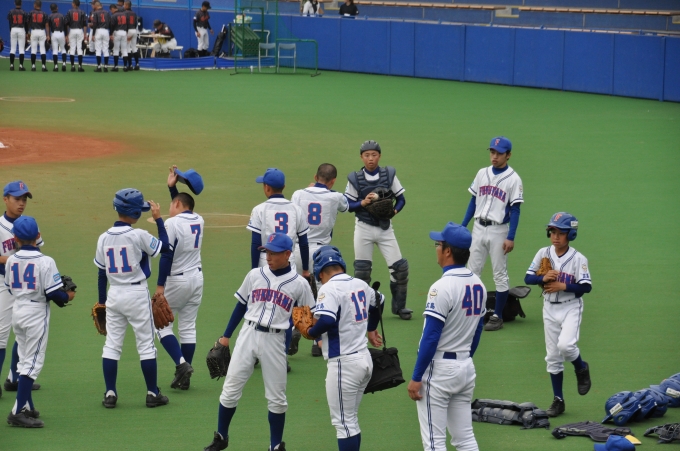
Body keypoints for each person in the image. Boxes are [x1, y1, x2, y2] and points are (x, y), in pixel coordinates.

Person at [203, 233, 315, 451]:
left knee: (277, 398)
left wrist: (298, 339)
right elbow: (241, 306)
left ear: (287, 254)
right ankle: (221, 437)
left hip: (275, 339)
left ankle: (275, 446)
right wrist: (226, 337)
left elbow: (308, 318)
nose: (268, 257)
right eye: (266, 252)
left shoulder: (300, 284)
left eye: (273, 253)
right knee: (230, 390)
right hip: (248, 334)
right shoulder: (255, 274)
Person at [407, 222, 485, 451]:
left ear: (448, 251)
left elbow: (431, 336)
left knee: (434, 443)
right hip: (465, 368)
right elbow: (478, 330)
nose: (436, 249)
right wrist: (464, 359)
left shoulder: (441, 287)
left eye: (438, 244)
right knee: (465, 438)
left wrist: (416, 376)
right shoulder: (479, 284)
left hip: (440, 371)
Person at [94, 189, 171, 408]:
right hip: (136, 294)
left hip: (114, 295)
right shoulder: (139, 235)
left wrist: (102, 302)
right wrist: (159, 220)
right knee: (146, 345)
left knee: (111, 345)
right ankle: (152, 393)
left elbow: (101, 273)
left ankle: (110, 394)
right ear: (136, 213)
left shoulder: (103, 238)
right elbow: (165, 247)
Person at [305, 246, 382, 451]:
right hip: (364, 360)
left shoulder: (328, 289)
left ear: (320, 272)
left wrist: (311, 332)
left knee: (343, 424)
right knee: (350, 420)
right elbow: (379, 301)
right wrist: (371, 329)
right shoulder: (360, 283)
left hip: (344, 364)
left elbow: (327, 320)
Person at [4, 216, 76, 428]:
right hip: (36, 313)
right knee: (32, 363)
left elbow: (9, 287)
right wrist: (68, 296)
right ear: (38, 236)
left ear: (16, 238)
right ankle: (17, 412)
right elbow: (54, 294)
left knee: (24, 358)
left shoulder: (11, 260)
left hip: (18, 310)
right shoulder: (46, 261)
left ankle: (27, 406)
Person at [524, 212, 592, 418]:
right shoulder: (543, 253)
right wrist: (542, 278)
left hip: (571, 307)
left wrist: (563, 285)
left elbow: (586, 287)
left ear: (570, 234)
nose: (555, 237)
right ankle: (558, 400)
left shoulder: (578, 259)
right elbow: (528, 278)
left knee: (566, 346)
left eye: (560, 233)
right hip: (549, 308)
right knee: (553, 357)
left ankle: (581, 368)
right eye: (552, 232)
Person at [461, 136, 523, 332]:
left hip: (499, 230)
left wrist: (511, 237)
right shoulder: (482, 173)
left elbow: (516, 210)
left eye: (499, 153)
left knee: (499, 273)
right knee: (472, 272)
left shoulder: (513, 179)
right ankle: (471, 313)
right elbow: (473, 201)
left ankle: (497, 316)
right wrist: (463, 225)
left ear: (508, 155)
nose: (494, 156)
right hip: (478, 228)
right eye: (492, 152)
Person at [344, 140, 411, 320]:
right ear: (361, 157)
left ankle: (400, 307)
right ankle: (362, 308)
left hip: (385, 228)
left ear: (379, 156)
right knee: (362, 272)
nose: (370, 159)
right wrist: (362, 203)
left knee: (400, 269)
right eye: (367, 155)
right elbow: (348, 205)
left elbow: (401, 199)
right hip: (363, 228)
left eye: (374, 155)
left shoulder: (389, 175)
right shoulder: (354, 178)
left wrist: (393, 211)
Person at [154, 166, 205, 391]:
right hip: (197, 279)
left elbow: (166, 255)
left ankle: (181, 364)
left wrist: (160, 287)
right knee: (188, 327)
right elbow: (182, 209)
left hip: (176, 281)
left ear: (176, 205)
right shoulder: (199, 220)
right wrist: (172, 189)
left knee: (160, 325)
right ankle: (185, 377)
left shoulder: (171, 224)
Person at [291, 163, 348, 356]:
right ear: (333, 181)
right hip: (321, 254)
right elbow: (350, 205)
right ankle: (318, 342)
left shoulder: (298, 194)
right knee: (321, 297)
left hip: (297, 250)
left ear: (315, 177)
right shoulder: (335, 197)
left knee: (294, 293)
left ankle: (292, 329)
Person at [0, 182, 45, 398]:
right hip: (3, 284)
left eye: (24, 199)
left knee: (24, 333)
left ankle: (14, 378)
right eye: (17, 199)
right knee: (1, 336)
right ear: (5, 199)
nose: (21, 203)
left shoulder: (29, 224)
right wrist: (13, 260)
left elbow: (37, 251)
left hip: (25, 287)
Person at [65, 0, 86, 72]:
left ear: (74, 4)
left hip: (72, 30)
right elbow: (85, 24)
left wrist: (67, 33)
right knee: (79, 48)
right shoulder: (82, 12)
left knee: (72, 48)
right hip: (80, 30)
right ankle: (80, 66)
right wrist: (85, 34)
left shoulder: (69, 11)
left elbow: (67, 23)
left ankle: (72, 66)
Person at [7, 0, 28, 72]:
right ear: (21, 3)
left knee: (12, 49)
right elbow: (26, 23)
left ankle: (11, 65)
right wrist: (27, 32)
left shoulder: (11, 11)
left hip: (13, 28)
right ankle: (21, 66)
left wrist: (11, 30)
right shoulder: (24, 12)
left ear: (14, 3)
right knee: (21, 49)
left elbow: (10, 22)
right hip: (21, 29)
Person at [28, 0, 48, 72]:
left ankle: (33, 66)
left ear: (35, 5)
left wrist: (27, 31)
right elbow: (46, 24)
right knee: (42, 49)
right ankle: (43, 66)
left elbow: (28, 22)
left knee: (33, 49)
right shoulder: (44, 13)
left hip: (34, 31)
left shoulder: (31, 12)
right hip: (42, 31)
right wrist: (48, 34)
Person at [90, 0, 110, 72]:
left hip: (98, 30)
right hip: (106, 30)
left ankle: (99, 67)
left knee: (98, 49)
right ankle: (106, 67)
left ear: (96, 5)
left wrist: (93, 34)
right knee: (105, 49)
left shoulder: (95, 13)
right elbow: (109, 22)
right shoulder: (107, 12)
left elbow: (95, 24)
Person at [47, 3, 66, 71]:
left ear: (50, 9)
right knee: (63, 49)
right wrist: (66, 35)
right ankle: (64, 64)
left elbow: (48, 26)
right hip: (61, 33)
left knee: (55, 50)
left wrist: (48, 35)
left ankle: (56, 66)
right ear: (57, 8)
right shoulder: (62, 15)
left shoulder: (50, 16)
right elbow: (65, 25)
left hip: (54, 33)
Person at [110, 2, 128, 71]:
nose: (111, 11)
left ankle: (116, 66)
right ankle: (125, 66)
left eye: (111, 10)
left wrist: (111, 34)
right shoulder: (124, 15)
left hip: (117, 32)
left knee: (116, 50)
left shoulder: (114, 16)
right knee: (124, 50)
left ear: (113, 9)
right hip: (124, 32)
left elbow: (112, 25)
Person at [123, 0, 138, 70]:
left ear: (127, 5)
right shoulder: (134, 13)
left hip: (128, 30)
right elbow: (136, 23)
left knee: (127, 48)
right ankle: (137, 64)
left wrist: (126, 33)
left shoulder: (124, 13)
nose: (123, 6)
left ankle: (130, 65)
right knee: (134, 47)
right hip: (134, 30)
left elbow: (125, 23)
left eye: (124, 5)